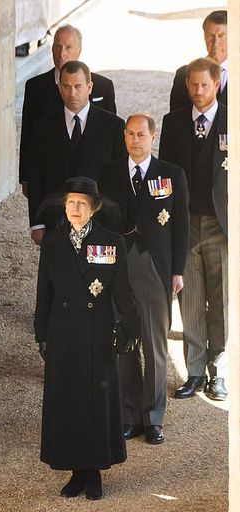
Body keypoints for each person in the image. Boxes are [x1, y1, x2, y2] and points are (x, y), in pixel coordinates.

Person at [35, 176, 140, 500]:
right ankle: (74, 471)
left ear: (94, 208)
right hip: (63, 332)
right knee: (68, 402)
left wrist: (129, 330)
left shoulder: (111, 243)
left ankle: (94, 473)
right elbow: (45, 293)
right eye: (70, 203)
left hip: (97, 332)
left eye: (82, 203)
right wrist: (42, 335)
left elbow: (122, 292)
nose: (75, 209)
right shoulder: (52, 242)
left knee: (95, 403)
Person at [99, 113, 189, 444]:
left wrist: (176, 270)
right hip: (119, 263)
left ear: (154, 137)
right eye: (130, 134)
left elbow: (181, 227)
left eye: (141, 134)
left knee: (154, 344)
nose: (135, 140)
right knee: (124, 339)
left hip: (155, 264)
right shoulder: (108, 174)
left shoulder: (171, 175)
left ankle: (153, 418)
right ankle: (130, 415)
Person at [159, 58, 228, 401]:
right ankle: (195, 371)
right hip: (186, 224)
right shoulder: (172, 124)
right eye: (193, 85)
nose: (198, 92)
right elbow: (168, 176)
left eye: (205, 85)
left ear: (217, 84)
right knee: (190, 299)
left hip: (221, 224)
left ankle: (220, 370)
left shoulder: (234, 119)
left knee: (222, 301)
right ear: (186, 85)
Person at [27, 60, 126, 245]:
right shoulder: (42, 127)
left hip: (100, 219)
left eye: (78, 86)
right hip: (55, 221)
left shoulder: (113, 126)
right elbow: (35, 177)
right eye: (67, 86)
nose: (72, 93)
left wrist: (118, 223)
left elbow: (119, 177)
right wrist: (37, 223)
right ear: (59, 88)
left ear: (90, 87)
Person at [19, 24, 117, 195]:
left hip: (93, 182)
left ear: (79, 50)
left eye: (68, 47)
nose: (62, 52)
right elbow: (28, 133)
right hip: (53, 178)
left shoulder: (104, 86)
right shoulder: (36, 87)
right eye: (57, 46)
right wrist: (26, 178)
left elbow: (112, 135)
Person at [169, 10, 227, 111]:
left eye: (221, 36)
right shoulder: (183, 75)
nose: (215, 42)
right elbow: (175, 121)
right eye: (210, 36)